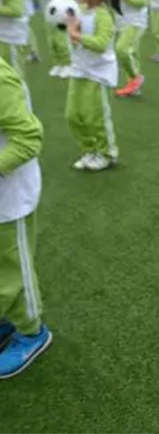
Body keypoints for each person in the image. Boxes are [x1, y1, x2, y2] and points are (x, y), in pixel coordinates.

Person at [0, 56, 51, 379]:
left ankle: (32, 331)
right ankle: (6, 318)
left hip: (9, 196)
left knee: (13, 267)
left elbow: (29, 136)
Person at [65, 0, 120, 172]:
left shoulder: (103, 15)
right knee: (73, 115)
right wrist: (72, 31)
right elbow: (75, 42)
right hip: (79, 70)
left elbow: (101, 44)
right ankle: (89, 150)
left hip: (98, 73)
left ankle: (107, 153)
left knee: (94, 116)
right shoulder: (80, 11)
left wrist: (76, 35)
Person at [112, 0, 148, 97]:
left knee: (122, 49)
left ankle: (136, 78)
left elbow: (142, 1)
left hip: (135, 23)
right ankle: (133, 87)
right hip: (122, 23)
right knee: (132, 54)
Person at [40, 0, 72, 78]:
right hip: (48, 15)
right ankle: (58, 63)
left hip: (61, 15)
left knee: (62, 40)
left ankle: (68, 64)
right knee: (51, 41)